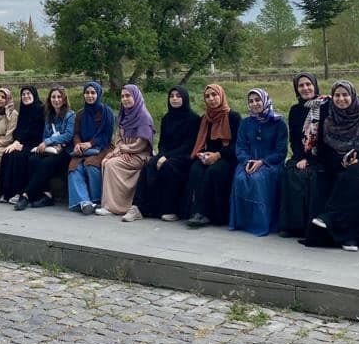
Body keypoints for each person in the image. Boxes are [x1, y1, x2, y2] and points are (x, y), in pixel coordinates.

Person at [304, 81, 359, 252]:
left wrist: (358, 158)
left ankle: (329, 218)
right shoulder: (329, 118)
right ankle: (347, 237)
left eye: (345, 95)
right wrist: (342, 160)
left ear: (352, 95)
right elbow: (324, 150)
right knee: (331, 176)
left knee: (352, 175)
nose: (341, 99)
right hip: (341, 163)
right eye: (337, 95)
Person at [123, 85, 200, 222]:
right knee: (149, 166)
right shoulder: (166, 118)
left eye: (178, 96)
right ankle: (138, 207)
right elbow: (162, 143)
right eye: (172, 96)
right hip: (166, 154)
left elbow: (189, 145)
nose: (174, 99)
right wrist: (161, 156)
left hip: (185, 156)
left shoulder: (193, 119)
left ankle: (170, 209)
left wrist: (166, 157)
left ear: (185, 98)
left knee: (169, 167)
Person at [229, 88, 288, 236]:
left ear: (265, 100)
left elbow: (281, 152)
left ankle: (261, 223)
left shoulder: (279, 123)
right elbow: (240, 146)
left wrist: (262, 162)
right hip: (248, 161)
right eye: (251, 101)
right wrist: (247, 161)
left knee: (257, 179)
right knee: (241, 178)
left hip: (271, 163)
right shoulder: (245, 123)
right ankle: (243, 222)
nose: (255, 104)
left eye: (257, 100)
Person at [184, 85, 242, 228]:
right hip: (208, 156)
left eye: (214, 95)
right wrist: (202, 153)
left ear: (221, 96)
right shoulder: (205, 118)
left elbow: (238, 144)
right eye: (207, 96)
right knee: (196, 169)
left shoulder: (233, 117)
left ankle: (211, 214)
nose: (211, 99)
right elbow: (202, 142)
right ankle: (195, 211)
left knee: (214, 171)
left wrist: (218, 155)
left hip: (227, 157)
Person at [94, 85, 155, 216]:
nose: (125, 99)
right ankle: (109, 203)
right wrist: (122, 150)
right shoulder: (124, 115)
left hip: (139, 155)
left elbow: (143, 142)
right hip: (125, 153)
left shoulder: (143, 116)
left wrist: (128, 149)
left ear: (136, 97)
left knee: (112, 164)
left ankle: (115, 207)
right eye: (122, 96)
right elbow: (119, 138)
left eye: (128, 96)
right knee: (105, 161)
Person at [12, 86, 75, 210]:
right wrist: (49, 143)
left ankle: (25, 195)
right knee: (32, 159)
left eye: (59, 97)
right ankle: (47, 195)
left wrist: (51, 142)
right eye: (53, 97)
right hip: (51, 149)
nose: (56, 100)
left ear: (64, 99)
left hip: (64, 151)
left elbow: (68, 135)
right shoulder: (48, 115)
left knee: (46, 163)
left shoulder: (70, 115)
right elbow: (45, 135)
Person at [278, 72, 324, 238]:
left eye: (308, 84)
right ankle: (291, 225)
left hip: (322, 156)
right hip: (301, 156)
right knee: (290, 173)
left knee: (310, 177)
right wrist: (300, 157)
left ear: (315, 85)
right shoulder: (295, 110)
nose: (305, 88)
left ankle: (308, 226)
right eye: (301, 85)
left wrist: (309, 160)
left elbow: (326, 139)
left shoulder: (325, 106)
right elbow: (295, 140)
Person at [67, 81, 115, 215]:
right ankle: (84, 202)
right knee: (74, 167)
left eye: (93, 93)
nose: (90, 96)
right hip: (83, 147)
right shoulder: (81, 114)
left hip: (103, 146)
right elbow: (76, 133)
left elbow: (107, 135)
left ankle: (96, 199)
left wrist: (91, 143)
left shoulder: (107, 112)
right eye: (87, 93)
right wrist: (77, 144)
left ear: (98, 94)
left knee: (91, 165)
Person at [0, 86, 45, 203]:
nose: (26, 96)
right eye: (23, 94)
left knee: (19, 156)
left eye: (28, 93)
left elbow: (36, 131)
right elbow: (18, 130)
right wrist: (17, 141)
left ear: (34, 94)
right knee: (7, 154)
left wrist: (20, 142)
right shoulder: (23, 110)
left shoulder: (40, 109)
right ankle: (6, 192)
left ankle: (19, 192)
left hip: (35, 143)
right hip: (22, 142)